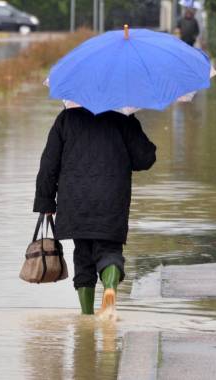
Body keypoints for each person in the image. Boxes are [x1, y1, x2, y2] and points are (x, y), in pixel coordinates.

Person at [33, 107, 156, 316]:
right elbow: (144, 159)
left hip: (74, 201)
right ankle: (110, 288)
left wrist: (45, 202)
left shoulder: (66, 118)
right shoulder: (123, 116)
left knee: (83, 257)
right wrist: (133, 126)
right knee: (110, 251)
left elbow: (49, 164)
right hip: (112, 199)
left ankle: (87, 317)